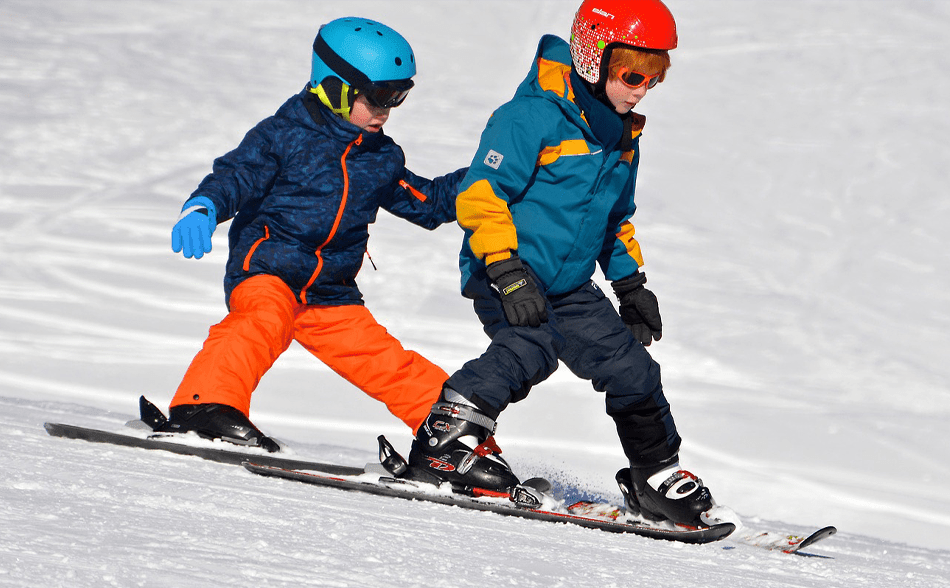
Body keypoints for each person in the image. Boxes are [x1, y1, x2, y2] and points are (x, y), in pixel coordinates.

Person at [404, 0, 715, 526]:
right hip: (504, 271)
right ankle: (445, 441)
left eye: (655, 77)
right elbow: (481, 194)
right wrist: (504, 266)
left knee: (633, 369)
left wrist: (631, 285)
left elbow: (615, 218)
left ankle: (654, 475)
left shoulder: (621, 137)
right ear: (594, 56)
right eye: (632, 73)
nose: (641, 89)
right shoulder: (530, 118)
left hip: (569, 286)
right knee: (531, 344)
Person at [162, 17, 465, 452]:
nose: (386, 109)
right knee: (259, 323)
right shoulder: (283, 135)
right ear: (337, 85)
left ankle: (455, 443)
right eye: (379, 95)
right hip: (270, 271)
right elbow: (237, 176)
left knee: (388, 362)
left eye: (399, 96)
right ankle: (205, 405)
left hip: (329, 292)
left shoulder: (380, 156)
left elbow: (430, 203)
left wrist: (494, 176)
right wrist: (204, 206)